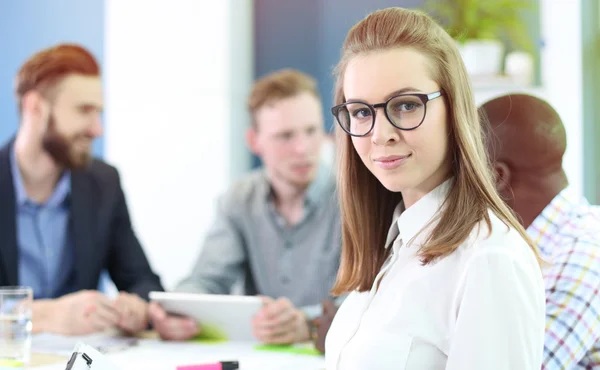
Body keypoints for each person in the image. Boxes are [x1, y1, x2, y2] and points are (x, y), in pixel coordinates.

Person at [323, 7, 546, 370]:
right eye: (362, 112)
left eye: (406, 105)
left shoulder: (489, 259)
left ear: (454, 109)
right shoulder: (394, 244)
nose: (381, 135)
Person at [149, 69, 341, 344]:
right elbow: (207, 280)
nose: (303, 148)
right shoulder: (239, 200)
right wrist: (175, 309)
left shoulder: (352, 200)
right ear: (254, 141)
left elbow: (370, 302)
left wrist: (310, 323)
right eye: (285, 136)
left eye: (311, 131)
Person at [0, 44, 163, 336]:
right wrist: (45, 315)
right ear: (35, 106)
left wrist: (136, 308)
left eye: (98, 112)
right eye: (84, 110)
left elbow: (142, 281)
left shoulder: (103, 183)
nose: (97, 129)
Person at [481, 93, 600, 369]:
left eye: (467, 169)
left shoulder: (585, 251)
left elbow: (523, 365)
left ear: (497, 177)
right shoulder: (518, 243)